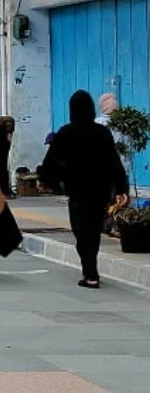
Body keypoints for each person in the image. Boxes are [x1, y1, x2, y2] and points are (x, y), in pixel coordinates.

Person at [42, 90, 129, 288]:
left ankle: (90, 274)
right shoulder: (102, 133)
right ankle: (91, 271)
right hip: (100, 191)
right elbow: (114, 162)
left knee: (82, 231)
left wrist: (55, 184)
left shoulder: (66, 133)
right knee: (93, 231)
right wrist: (121, 188)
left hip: (78, 191)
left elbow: (50, 164)